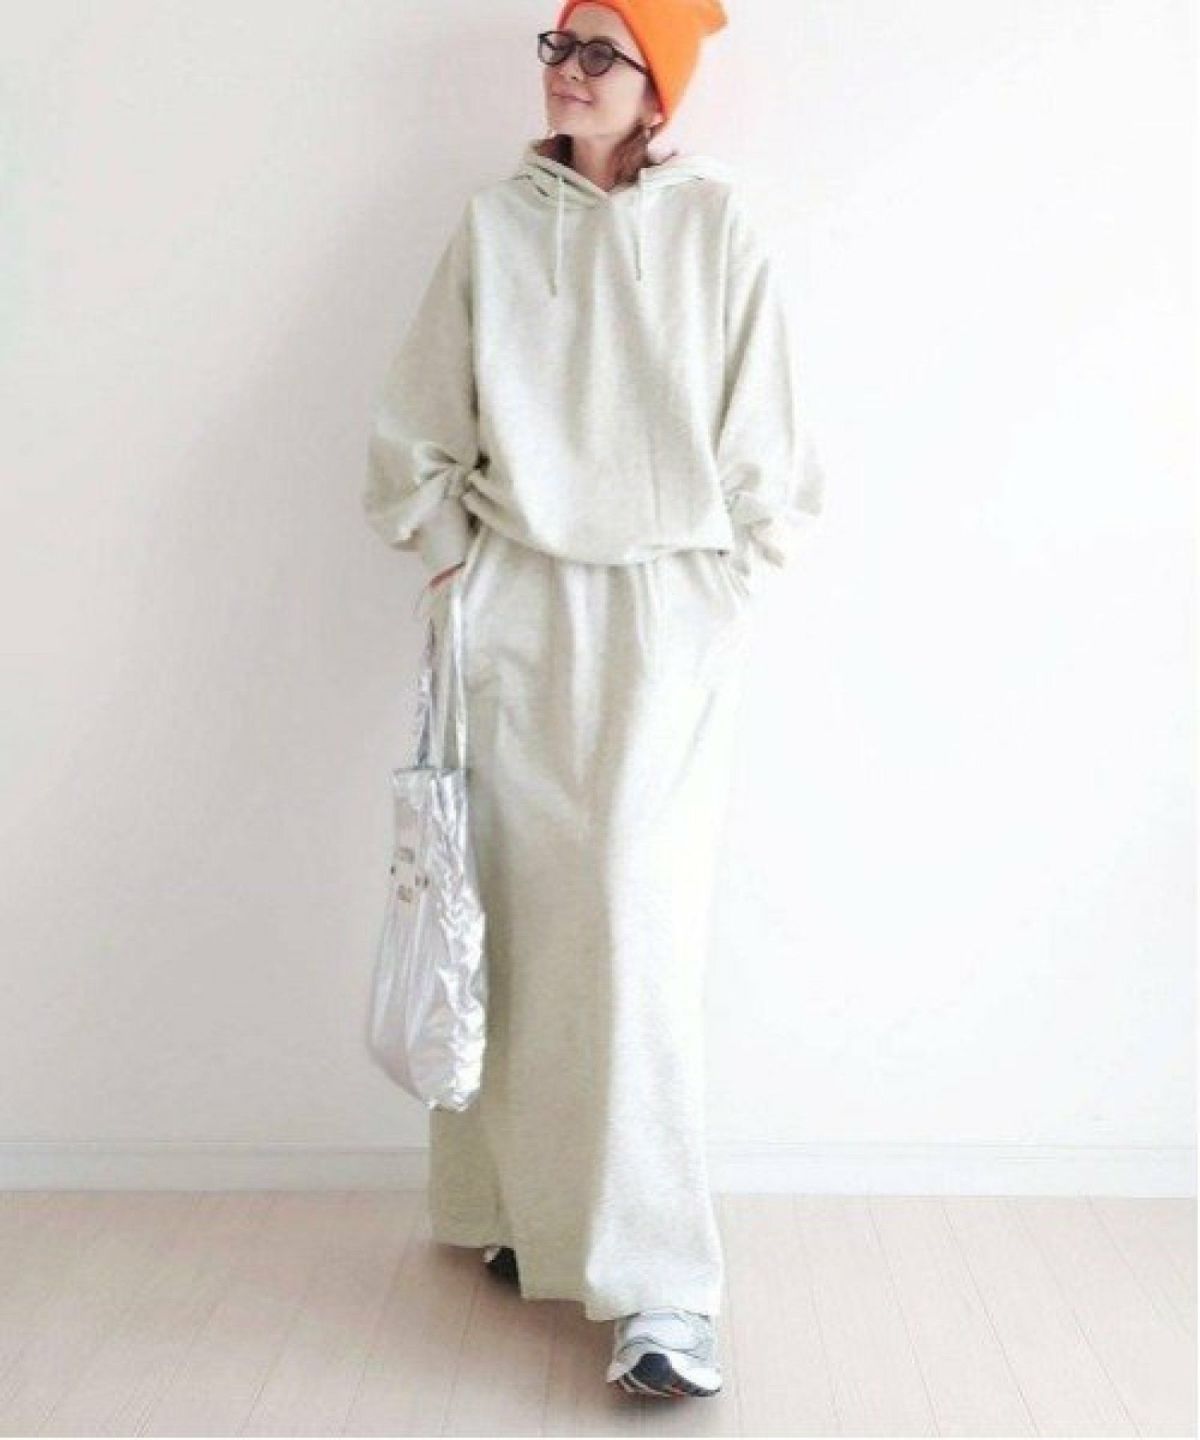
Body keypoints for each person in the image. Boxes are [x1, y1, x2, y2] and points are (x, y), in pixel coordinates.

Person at [362, 0, 824, 1400]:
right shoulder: (495, 225)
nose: (566, 72)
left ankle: (664, 1291)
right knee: (511, 914)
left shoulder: (716, 230)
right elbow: (417, 424)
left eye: (599, 53)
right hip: (513, 606)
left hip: (665, 613)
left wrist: (721, 586)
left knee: (632, 918)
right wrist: (458, 569)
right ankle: (516, 1210)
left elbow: (772, 450)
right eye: (557, 45)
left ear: (657, 87)